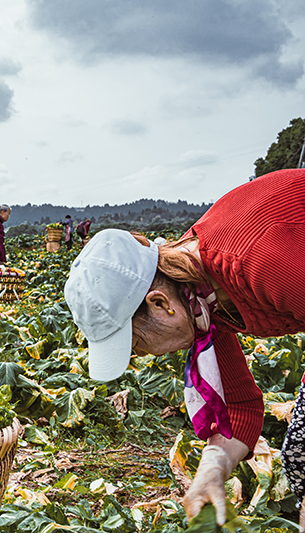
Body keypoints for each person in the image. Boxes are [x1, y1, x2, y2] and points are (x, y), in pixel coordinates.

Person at [63, 168, 305, 528]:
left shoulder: (259, 261)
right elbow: (238, 406)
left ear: (160, 305)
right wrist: (214, 465)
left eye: (137, 344)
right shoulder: (203, 299)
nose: (140, 357)